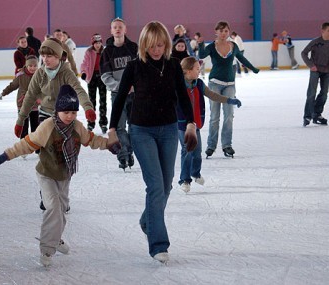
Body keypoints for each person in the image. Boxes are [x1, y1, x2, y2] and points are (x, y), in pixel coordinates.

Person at [0, 84, 121, 267]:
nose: (70, 116)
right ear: (58, 110)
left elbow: (91, 140)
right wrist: (6, 155)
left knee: (62, 209)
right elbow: (27, 144)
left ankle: (56, 237)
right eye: (66, 112)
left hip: (64, 175)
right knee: (53, 207)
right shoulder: (47, 127)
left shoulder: (77, 127)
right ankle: (47, 248)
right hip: (46, 174)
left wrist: (108, 145)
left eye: (73, 112)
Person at [109, 21, 198, 263]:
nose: (156, 50)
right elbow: (118, 100)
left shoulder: (172, 66)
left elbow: (182, 96)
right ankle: (158, 244)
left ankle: (147, 220)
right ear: (144, 45)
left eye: (160, 45)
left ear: (166, 44)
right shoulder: (134, 66)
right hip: (141, 131)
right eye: (151, 45)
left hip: (169, 130)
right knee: (156, 185)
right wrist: (112, 129)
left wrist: (190, 123)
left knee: (167, 185)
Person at [13, 38, 96, 211]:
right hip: (45, 117)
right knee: (47, 155)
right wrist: (21, 120)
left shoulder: (66, 72)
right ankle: (47, 194)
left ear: (58, 56)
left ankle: (62, 194)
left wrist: (87, 107)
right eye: (43, 56)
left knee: (63, 156)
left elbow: (78, 89)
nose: (45, 59)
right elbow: (29, 96)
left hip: (64, 118)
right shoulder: (41, 72)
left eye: (50, 56)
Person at [178, 57, 242, 192]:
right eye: (197, 68)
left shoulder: (199, 84)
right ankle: (185, 180)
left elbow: (213, 95)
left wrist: (229, 100)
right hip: (182, 125)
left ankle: (195, 173)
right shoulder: (178, 85)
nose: (199, 70)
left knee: (197, 152)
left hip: (195, 124)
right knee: (187, 151)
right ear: (188, 71)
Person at [197, 21, 259, 158]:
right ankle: (211, 146)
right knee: (214, 116)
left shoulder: (234, 46)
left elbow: (242, 58)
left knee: (229, 116)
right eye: (221, 31)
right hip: (214, 84)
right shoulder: (212, 47)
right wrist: (201, 44)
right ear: (216, 32)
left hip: (230, 84)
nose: (224, 33)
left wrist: (253, 68)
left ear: (229, 32)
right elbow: (201, 55)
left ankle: (227, 145)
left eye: (226, 31)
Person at [100, 17, 138, 170]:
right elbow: (105, 75)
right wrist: (120, 87)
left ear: (125, 29)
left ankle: (130, 151)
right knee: (119, 127)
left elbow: (140, 69)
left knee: (134, 125)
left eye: (120, 27)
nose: (117, 29)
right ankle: (124, 155)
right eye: (114, 27)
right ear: (111, 31)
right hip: (117, 94)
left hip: (135, 93)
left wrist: (134, 85)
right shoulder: (107, 52)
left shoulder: (133, 48)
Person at [0, 55, 39, 139]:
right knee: (23, 126)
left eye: (35, 66)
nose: (33, 68)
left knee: (35, 126)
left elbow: (45, 88)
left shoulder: (40, 75)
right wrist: (3, 93)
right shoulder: (20, 75)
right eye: (30, 66)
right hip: (22, 103)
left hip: (35, 104)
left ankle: (36, 145)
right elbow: (12, 86)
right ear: (26, 65)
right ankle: (23, 144)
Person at [301, 22, 329, 127]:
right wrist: (311, 65)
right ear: (322, 31)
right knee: (311, 93)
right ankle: (307, 115)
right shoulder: (315, 42)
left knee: (324, 94)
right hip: (315, 70)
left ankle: (317, 114)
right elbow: (303, 53)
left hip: (327, 71)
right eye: (328, 31)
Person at [80, 33, 108, 133]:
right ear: (93, 44)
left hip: (102, 78)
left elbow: (108, 64)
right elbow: (84, 63)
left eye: (99, 42)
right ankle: (91, 123)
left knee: (103, 101)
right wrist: (83, 73)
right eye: (96, 43)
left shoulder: (104, 52)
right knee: (92, 101)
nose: (98, 45)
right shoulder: (89, 52)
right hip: (92, 78)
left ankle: (103, 123)